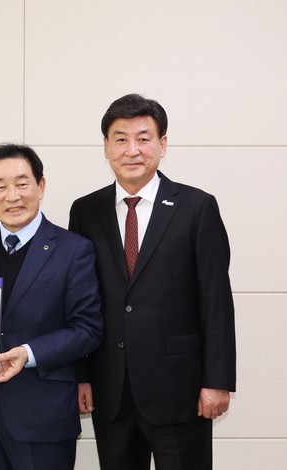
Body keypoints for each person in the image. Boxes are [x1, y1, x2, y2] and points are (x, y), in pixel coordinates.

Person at [69, 93, 236, 470]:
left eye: (143, 138)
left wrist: (217, 381)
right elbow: (79, 302)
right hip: (111, 390)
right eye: (121, 139)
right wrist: (81, 377)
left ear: (162, 145)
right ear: (106, 147)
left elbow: (216, 302)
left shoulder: (197, 207)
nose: (132, 150)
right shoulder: (85, 211)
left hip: (181, 390)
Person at [0, 144, 103, 469]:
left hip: (43, 412)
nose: (13, 196)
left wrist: (29, 353)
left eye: (22, 183)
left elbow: (88, 329)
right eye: (0, 186)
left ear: (41, 186)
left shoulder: (74, 250)